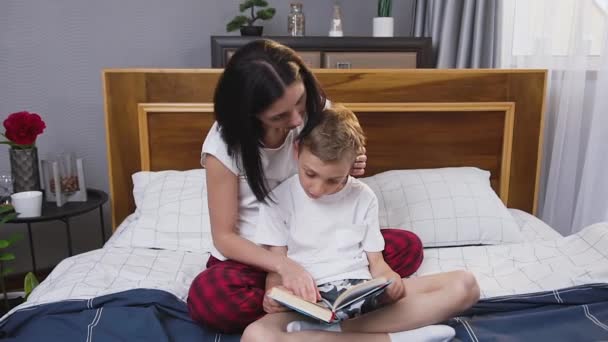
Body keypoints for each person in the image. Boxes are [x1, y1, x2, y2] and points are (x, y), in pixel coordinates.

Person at [187, 39, 424, 333]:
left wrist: (349, 166)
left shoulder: (314, 109)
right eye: (280, 116)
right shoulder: (224, 145)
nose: (298, 119)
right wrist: (282, 267)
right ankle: (319, 302)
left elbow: (340, 146)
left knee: (408, 246)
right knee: (210, 298)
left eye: (299, 103)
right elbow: (224, 237)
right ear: (247, 112)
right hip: (257, 255)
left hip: (320, 246)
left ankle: (310, 304)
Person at [242, 105, 480, 342]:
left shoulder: (363, 197)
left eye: (334, 180)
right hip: (307, 304)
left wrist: (390, 281)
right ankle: (396, 338)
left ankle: (330, 334)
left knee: (466, 285)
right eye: (310, 174)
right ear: (297, 151)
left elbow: (377, 263)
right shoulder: (277, 199)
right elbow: (276, 268)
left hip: (360, 296)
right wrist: (273, 296)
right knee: (255, 336)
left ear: (353, 164)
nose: (318, 188)